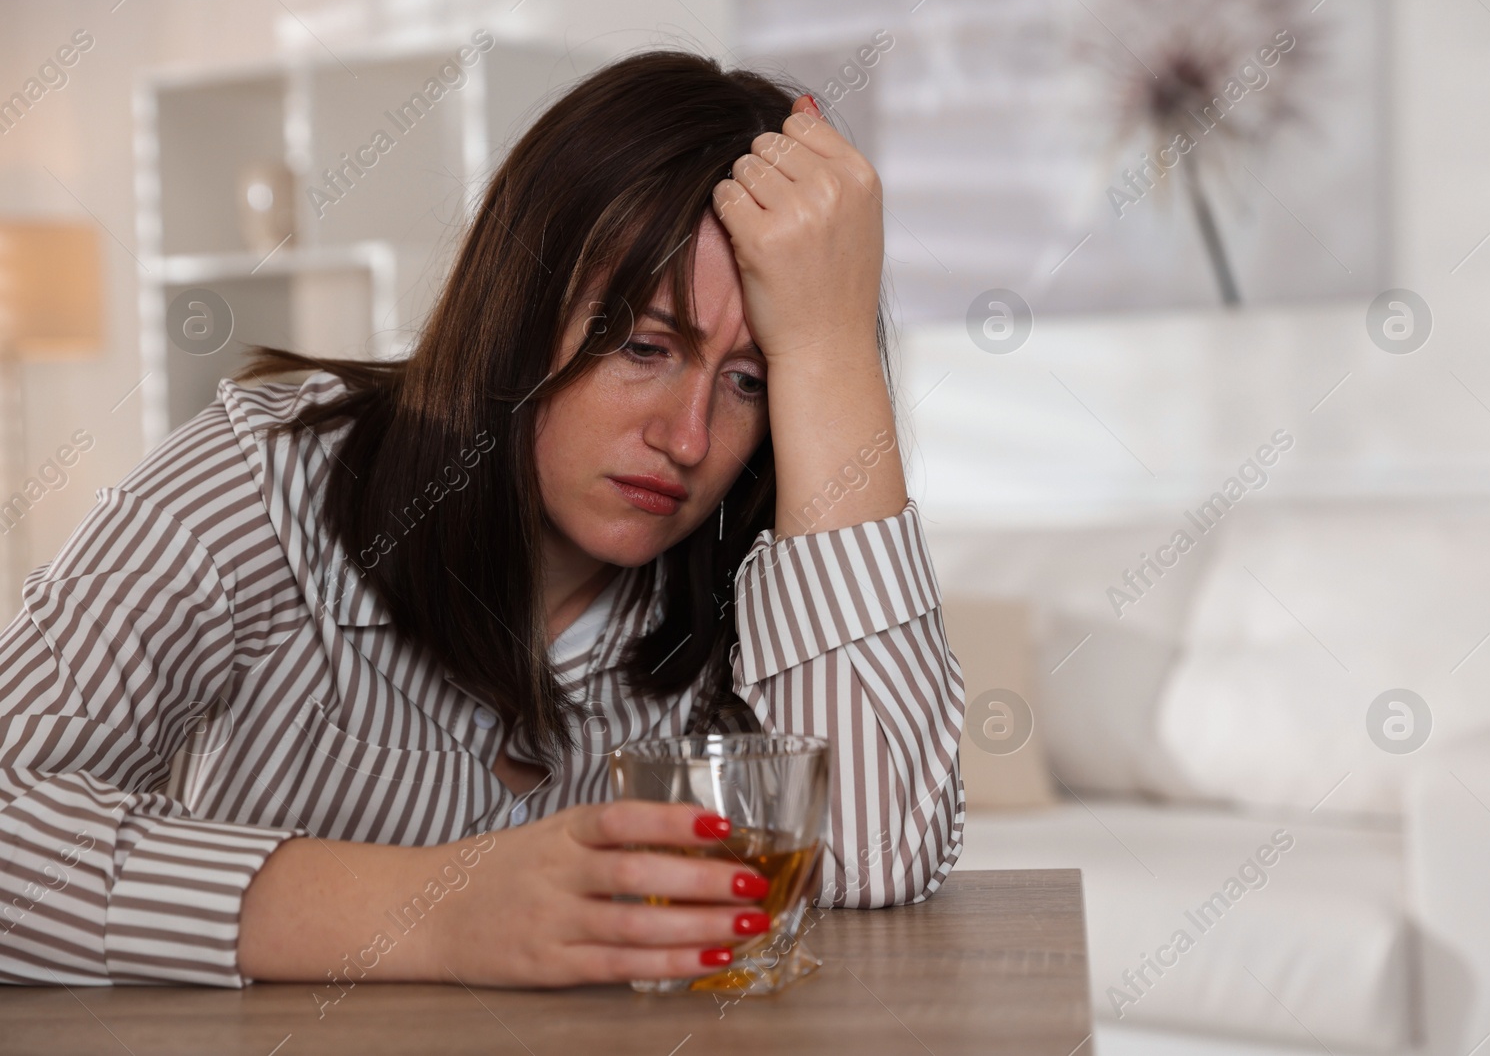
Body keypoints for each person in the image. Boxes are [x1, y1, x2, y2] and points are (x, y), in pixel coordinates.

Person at [0, 49, 964, 990]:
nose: (687, 436)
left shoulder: (751, 572)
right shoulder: (256, 486)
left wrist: (833, 349)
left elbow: (874, 855)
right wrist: (437, 911)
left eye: (751, 380)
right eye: (641, 344)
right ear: (518, 305)